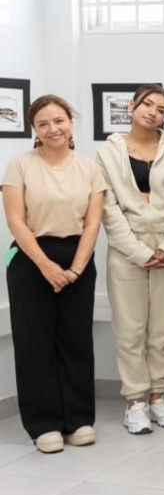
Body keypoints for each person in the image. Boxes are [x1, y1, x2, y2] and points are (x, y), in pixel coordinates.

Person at [2, 95, 106, 453]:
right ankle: (43, 424)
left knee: (76, 340)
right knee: (35, 343)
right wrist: (46, 266)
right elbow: (16, 222)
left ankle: (78, 419)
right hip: (31, 259)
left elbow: (92, 223)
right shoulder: (19, 165)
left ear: (71, 123)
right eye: (43, 124)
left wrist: (75, 268)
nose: (52, 129)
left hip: (78, 257)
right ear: (35, 129)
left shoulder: (89, 168)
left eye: (59, 121)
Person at [96, 83, 164, 434]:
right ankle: (135, 401)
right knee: (130, 330)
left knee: (161, 330)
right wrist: (138, 252)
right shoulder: (107, 152)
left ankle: (158, 396)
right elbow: (108, 208)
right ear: (132, 106)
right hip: (127, 249)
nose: (153, 112)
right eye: (147, 104)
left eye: (161, 109)